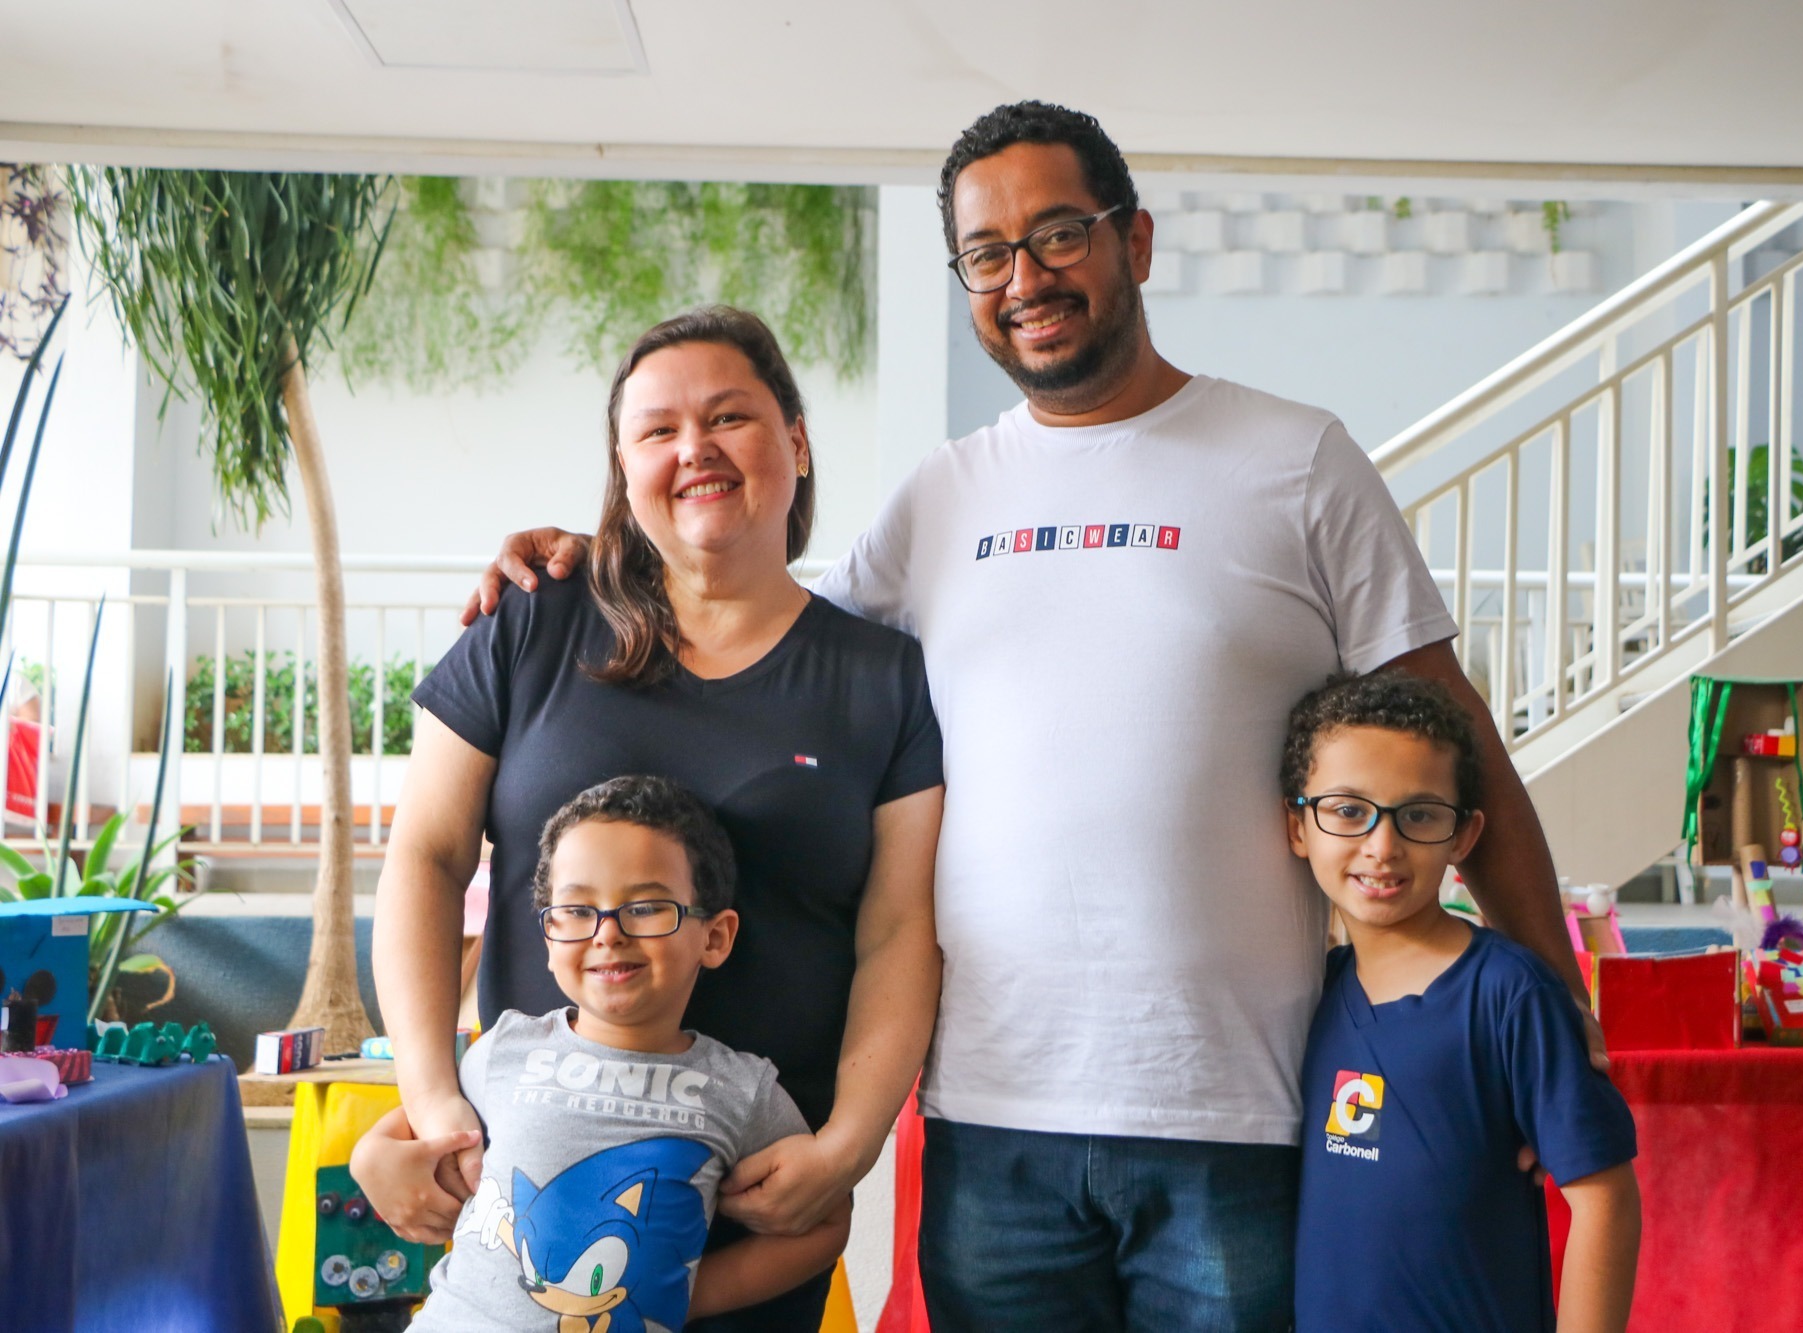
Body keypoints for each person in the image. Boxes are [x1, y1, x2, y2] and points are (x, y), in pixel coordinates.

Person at [467, 103, 1600, 1329]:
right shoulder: (940, 494)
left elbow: (1451, 739)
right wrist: (607, 552)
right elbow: (748, 624)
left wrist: (1552, 1001)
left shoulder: (1297, 460)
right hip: (991, 1123)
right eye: (985, 254)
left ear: (1135, 240)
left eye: (1058, 234)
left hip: (1235, 1111)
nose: (1024, 278)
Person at [359, 306, 944, 1332]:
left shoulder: (882, 678)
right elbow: (426, 855)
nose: (694, 449)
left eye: (729, 417)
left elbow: (898, 929)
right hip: (538, 1210)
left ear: (797, 442)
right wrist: (432, 1098)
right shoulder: (532, 621)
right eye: (658, 429)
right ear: (624, 469)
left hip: (757, 1211)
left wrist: (845, 1147)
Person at [370, 775, 852, 1331]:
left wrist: (674, 1295)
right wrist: (371, 1152)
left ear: (715, 937)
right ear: (549, 939)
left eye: (645, 906)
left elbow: (827, 1222)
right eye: (577, 910)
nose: (607, 932)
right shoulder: (505, 1048)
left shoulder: (742, 1091)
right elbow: (413, 1129)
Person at [1282, 671, 1639, 1332]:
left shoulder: (1510, 993)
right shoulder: (1311, 993)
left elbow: (1606, 1200)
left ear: (1464, 836)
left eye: (1419, 814)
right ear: (1298, 825)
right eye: (1349, 810)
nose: (1382, 846)